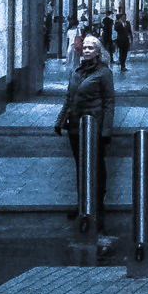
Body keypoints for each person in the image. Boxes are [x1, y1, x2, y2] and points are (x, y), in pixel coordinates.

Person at [55, 33, 114, 231]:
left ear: (98, 51)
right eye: (85, 47)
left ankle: (98, 205)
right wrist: (60, 120)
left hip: (94, 126)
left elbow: (109, 102)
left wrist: (106, 131)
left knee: (97, 166)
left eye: (91, 48)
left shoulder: (104, 73)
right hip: (75, 126)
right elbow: (69, 97)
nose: (87, 50)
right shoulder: (77, 71)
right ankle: (83, 203)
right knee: (80, 166)